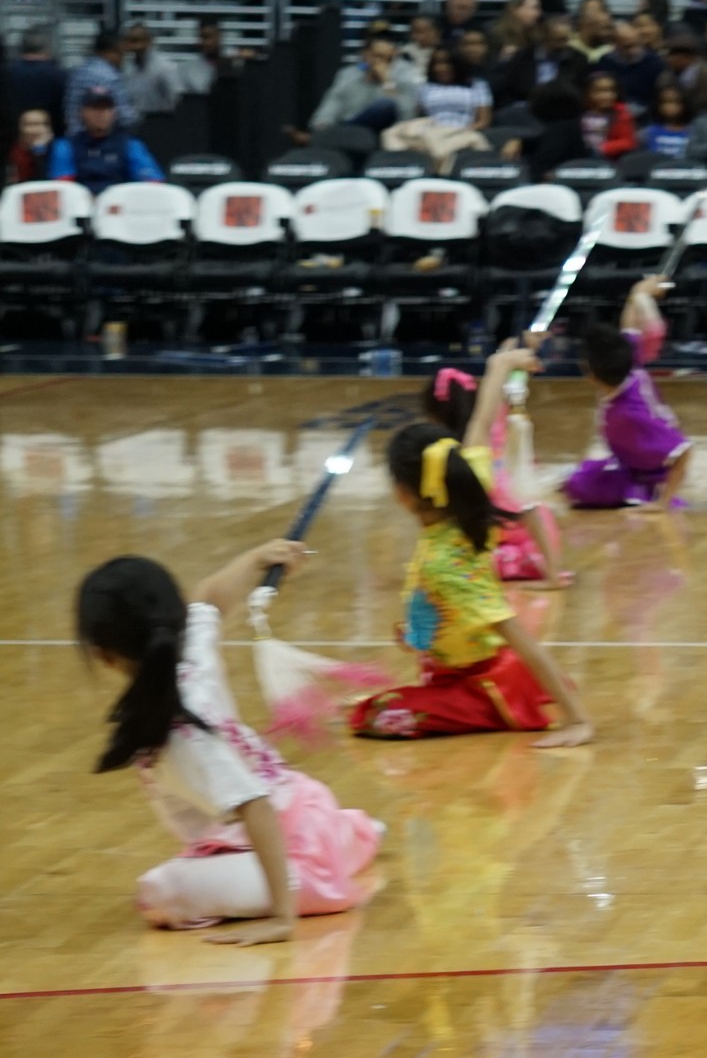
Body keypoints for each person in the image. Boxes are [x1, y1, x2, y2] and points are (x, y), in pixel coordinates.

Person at [77, 544, 385, 944]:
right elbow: (209, 597)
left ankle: (310, 877)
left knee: (159, 892)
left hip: (282, 840)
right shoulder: (190, 650)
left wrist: (282, 919)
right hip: (305, 807)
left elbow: (255, 805)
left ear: (103, 654)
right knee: (271, 845)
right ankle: (348, 838)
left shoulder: (178, 734)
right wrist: (256, 559)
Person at [350, 424, 592, 745]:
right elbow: (477, 443)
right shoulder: (463, 511)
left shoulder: (444, 565)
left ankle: (510, 707)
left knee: (376, 715)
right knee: (376, 707)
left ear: (402, 494)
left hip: (484, 686)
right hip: (460, 669)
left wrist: (577, 720)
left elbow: (520, 637)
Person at [544, 277, 700, 507]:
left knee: (583, 489)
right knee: (577, 483)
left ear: (591, 375)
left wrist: (663, 503)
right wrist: (636, 294)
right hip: (627, 462)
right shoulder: (628, 365)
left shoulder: (632, 413)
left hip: (648, 475)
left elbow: (683, 451)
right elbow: (630, 327)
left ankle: (643, 492)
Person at [419, 346, 568, 585]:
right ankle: (542, 562)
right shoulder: (493, 430)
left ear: (436, 419)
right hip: (532, 530)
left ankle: (530, 563)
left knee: (451, 558)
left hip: (507, 531)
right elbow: (491, 400)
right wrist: (506, 360)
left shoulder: (471, 447)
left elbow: (486, 406)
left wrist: (502, 362)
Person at [49, 87, 163, 186]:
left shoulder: (130, 145)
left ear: (114, 113)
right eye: (95, 108)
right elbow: (63, 187)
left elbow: (152, 183)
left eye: (106, 108)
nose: (101, 114)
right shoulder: (66, 146)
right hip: (81, 202)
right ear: (82, 113)